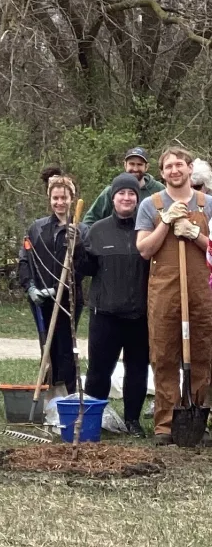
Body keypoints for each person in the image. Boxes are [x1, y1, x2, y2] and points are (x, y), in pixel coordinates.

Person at [136, 143, 212, 446]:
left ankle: (197, 421)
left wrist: (194, 234)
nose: (174, 170)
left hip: (201, 292)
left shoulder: (207, 204)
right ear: (162, 172)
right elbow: (144, 249)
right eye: (168, 166)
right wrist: (166, 223)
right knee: (164, 354)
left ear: (190, 168)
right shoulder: (151, 205)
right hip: (165, 292)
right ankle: (166, 424)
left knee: (202, 354)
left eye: (180, 164)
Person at [79, 173, 149, 437]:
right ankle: (93, 419)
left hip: (139, 315)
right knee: (99, 371)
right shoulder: (98, 230)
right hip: (105, 314)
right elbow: (86, 269)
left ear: (137, 198)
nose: (126, 198)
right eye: (122, 193)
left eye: (131, 193)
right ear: (113, 198)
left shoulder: (147, 229)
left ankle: (132, 420)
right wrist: (76, 251)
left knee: (137, 371)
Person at [18, 174, 88, 393]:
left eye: (64, 198)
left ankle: (69, 392)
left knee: (66, 347)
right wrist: (30, 287)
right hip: (41, 299)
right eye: (55, 198)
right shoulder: (37, 228)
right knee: (47, 346)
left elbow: (84, 267)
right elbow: (25, 260)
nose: (59, 202)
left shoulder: (81, 230)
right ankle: (48, 390)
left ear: (72, 199)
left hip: (69, 300)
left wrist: (77, 245)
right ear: (49, 199)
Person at [83, 147, 165, 226]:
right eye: (131, 164)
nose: (135, 169)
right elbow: (89, 222)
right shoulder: (111, 191)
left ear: (146, 167)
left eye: (139, 164)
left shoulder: (159, 190)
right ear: (125, 165)